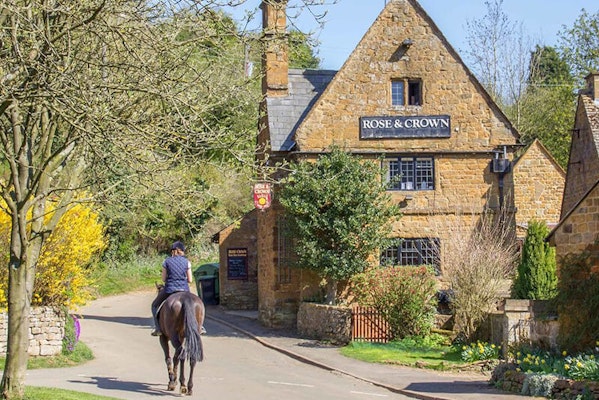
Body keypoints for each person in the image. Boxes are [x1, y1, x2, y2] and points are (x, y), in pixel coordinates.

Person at [151, 240, 193, 336]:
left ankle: (158, 328)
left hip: (170, 289)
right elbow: (190, 280)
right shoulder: (187, 262)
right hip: (184, 289)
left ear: (172, 251)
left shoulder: (166, 261)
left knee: (154, 305)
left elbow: (164, 279)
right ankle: (201, 326)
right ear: (182, 251)